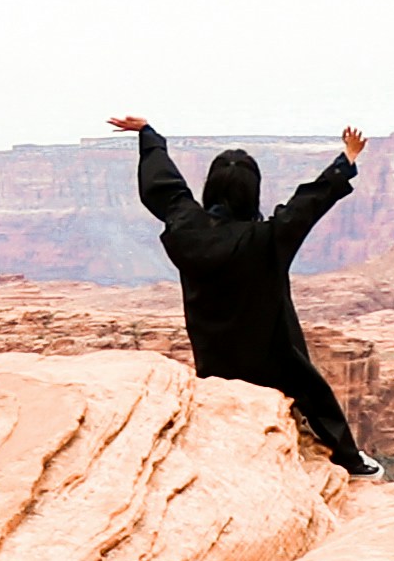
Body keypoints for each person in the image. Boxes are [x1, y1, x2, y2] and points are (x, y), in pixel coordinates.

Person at [114, 112, 373, 473]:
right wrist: (346, 161)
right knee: (313, 391)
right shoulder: (267, 238)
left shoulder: (188, 227)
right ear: (253, 191)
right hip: (270, 359)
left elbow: (165, 188)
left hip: (214, 359)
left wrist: (149, 136)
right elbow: (307, 205)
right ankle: (351, 461)